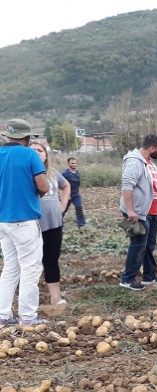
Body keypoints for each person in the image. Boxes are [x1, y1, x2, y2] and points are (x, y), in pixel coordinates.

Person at [0, 118, 50, 326]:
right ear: (27, 138)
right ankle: (28, 317)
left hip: (3, 221)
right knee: (30, 268)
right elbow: (44, 186)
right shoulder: (30, 154)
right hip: (24, 219)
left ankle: (3, 315)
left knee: (10, 267)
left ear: (8, 136)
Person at [119, 134, 157, 290]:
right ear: (152, 148)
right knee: (138, 245)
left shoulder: (149, 162)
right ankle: (127, 279)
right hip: (138, 212)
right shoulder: (134, 161)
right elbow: (127, 185)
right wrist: (131, 210)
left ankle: (149, 276)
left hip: (151, 212)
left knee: (149, 245)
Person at [31, 141, 70, 305]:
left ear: (46, 155)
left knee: (51, 259)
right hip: (33, 224)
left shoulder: (52, 173)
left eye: (40, 150)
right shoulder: (25, 173)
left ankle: (56, 298)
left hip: (54, 223)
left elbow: (66, 185)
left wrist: (62, 205)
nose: (37, 153)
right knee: (31, 262)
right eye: (32, 150)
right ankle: (30, 300)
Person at [61, 157, 87, 228]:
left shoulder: (77, 173)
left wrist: (79, 193)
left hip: (76, 195)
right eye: (72, 163)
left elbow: (78, 185)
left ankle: (82, 225)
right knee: (63, 210)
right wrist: (64, 195)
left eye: (75, 163)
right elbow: (61, 185)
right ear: (68, 164)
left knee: (79, 207)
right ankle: (59, 223)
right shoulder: (64, 173)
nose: (74, 165)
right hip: (67, 195)